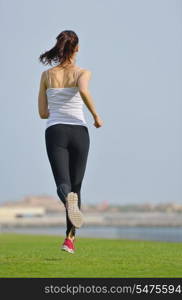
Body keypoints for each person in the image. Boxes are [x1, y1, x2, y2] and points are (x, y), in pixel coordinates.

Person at [38, 30, 103, 254]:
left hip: (55, 131)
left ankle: (67, 200)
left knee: (63, 186)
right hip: (79, 132)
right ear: (76, 48)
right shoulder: (83, 72)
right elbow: (83, 90)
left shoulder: (46, 75)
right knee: (77, 187)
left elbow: (43, 113)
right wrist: (96, 116)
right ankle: (69, 240)